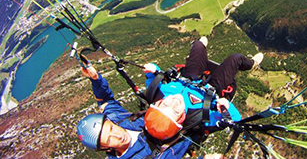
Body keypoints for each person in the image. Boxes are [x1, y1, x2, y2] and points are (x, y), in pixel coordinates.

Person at [76, 36, 263, 158]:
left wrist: (95, 78)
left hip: (186, 83)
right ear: (106, 149)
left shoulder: (120, 120)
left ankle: (200, 46)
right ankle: (250, 63)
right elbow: (233, 120)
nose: (117, 134)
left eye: (111, 128)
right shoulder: (149, 156)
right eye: (109, 140)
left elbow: (107, 102)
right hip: (206, 98)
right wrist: (224, 108)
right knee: (236, 58)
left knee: (199, 44)